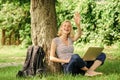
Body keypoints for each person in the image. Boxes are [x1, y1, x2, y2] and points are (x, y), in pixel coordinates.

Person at [50, 12, 106, 76]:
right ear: (61, 28)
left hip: (78, 64)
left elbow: (79, 34)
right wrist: (66, 61)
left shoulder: (70, 39)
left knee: (101, 55)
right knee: (75, 56)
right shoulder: (55, 40)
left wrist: (78, 25)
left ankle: (89, 71)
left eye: (69, 26)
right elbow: (51, 57)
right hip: (68, 67)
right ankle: (88, 71)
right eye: (64, 26)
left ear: (70, 29)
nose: (66, 27)